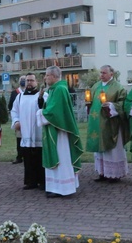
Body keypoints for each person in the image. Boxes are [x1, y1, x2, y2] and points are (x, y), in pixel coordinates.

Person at [37, 65, 83, 198]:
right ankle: (55, 186)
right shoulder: (53, 90)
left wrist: (40, 113)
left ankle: (64, 188)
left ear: (55, 76)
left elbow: (54, 112)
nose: (45, 78)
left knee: (62, 157)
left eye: (47, 75)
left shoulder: (60, 89)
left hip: (60, 131)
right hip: (54, 128)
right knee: (57, 156)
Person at [86, 65, 129, 182]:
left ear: (111, 74)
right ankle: (102, 172)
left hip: (111, 123)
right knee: (100, 148)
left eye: (104, 73)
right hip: (97, 122)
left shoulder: (118, 87)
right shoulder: (96, 86)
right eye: (101, 73)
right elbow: (91, 100)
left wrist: (111, 106)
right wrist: (89, 104)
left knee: (112, 149)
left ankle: (115, 174)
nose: (101, 75)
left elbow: (123, 104)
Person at [11, 73, 45, 190]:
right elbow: (14, 111)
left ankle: (43, 181)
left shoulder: (43, 95)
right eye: (27, 80)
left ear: (36, 82)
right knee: (28, 158)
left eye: (31, 80)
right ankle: (31, 181)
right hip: (25, 133)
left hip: (39, 132)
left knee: (40, 157)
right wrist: (16, 121)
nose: (29, 82)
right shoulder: (19, 97)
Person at [9, 77, 26, 164]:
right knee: (19, 139)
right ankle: (19, 157)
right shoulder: (14, 93)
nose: (23, 81)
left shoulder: (31, 92)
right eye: (21, 79)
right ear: (19, 82)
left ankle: (27, 157)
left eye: (24, 79)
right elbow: (10, 106)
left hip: (29, 120)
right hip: (19, 119)